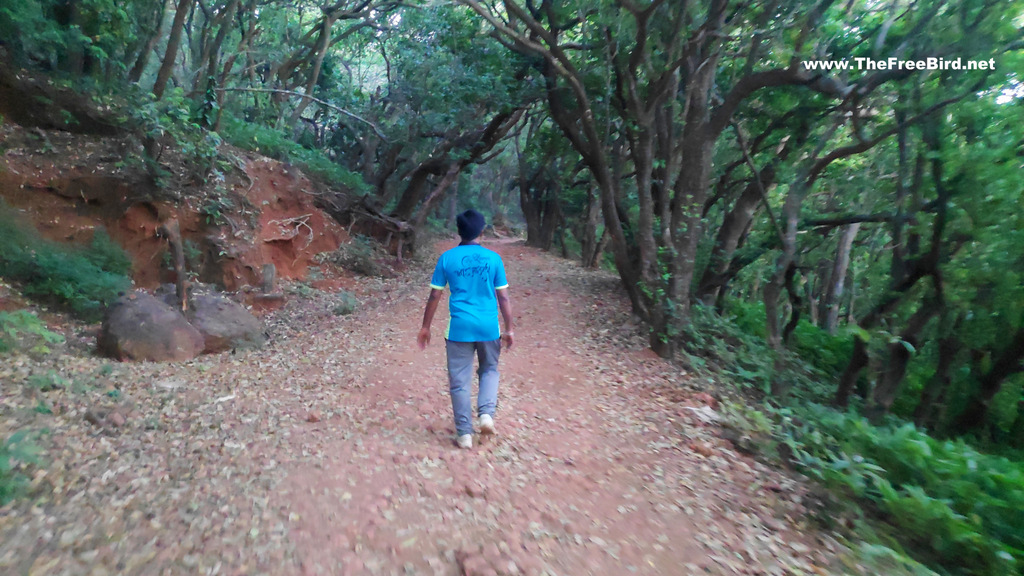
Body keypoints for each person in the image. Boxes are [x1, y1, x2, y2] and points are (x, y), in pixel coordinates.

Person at [417, 209, 514, 449]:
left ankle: (464, 434)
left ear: (458, 231)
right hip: (489, 327)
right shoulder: (493, 259)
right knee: (490, 370)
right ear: (482, 231)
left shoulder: (447, 259)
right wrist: (509, 328)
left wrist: (425, 326)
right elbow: (503, 297)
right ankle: (486, 415)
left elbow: (434, 296)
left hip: (459, 328)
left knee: (459, 381)